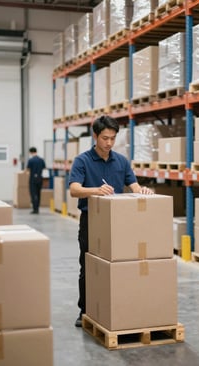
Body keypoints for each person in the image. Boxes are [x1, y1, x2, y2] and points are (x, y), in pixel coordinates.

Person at [69, 115, 153, 327]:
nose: (109, 143)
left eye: (113, 138)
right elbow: (74, 190)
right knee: (88, 266)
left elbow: (133, 186)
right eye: (105, 138)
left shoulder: (121, 161)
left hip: (118, 222)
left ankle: (116, 307)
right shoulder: (83, 161)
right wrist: (96, 190)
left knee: (118, 266)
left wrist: (141, 190)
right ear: (95, 136)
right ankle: (85, 310)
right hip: (92, 222)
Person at [26, 146, 46, 214]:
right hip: (40, 179)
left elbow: (28, 170)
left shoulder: (31, 160)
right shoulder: (41, 160)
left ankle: (35, 209)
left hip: (33, 180)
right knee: (38, 194)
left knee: (33, 194)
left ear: (31, 152)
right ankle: (37, 208)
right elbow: (44, 167)